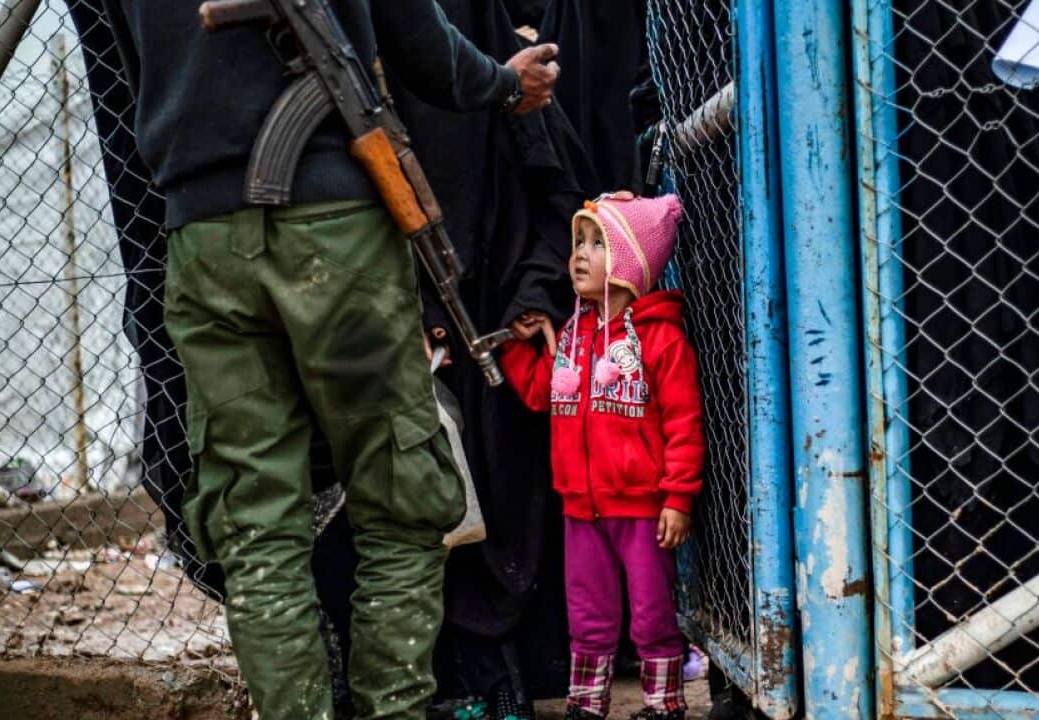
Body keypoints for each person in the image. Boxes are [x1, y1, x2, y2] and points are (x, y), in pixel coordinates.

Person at [100, 2, 560, 718]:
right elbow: (420, 42)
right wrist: (502, 82)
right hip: (335, 226)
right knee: (403, 500)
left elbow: (130, 65)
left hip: (203, 237)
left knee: (255, 522)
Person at [499, 192, 703, 720]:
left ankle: (664, 704)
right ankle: (586, 705)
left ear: (632, 261)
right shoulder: (571, 333)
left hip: (641, 509)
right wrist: (525, 346)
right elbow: (544, 393)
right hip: (580, 508)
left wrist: (678, 498)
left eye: (598, 244)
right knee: (587, 612)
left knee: (652, 611)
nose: (579, 256)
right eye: (578, 243)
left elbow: (683, 424)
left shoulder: (661, 340)